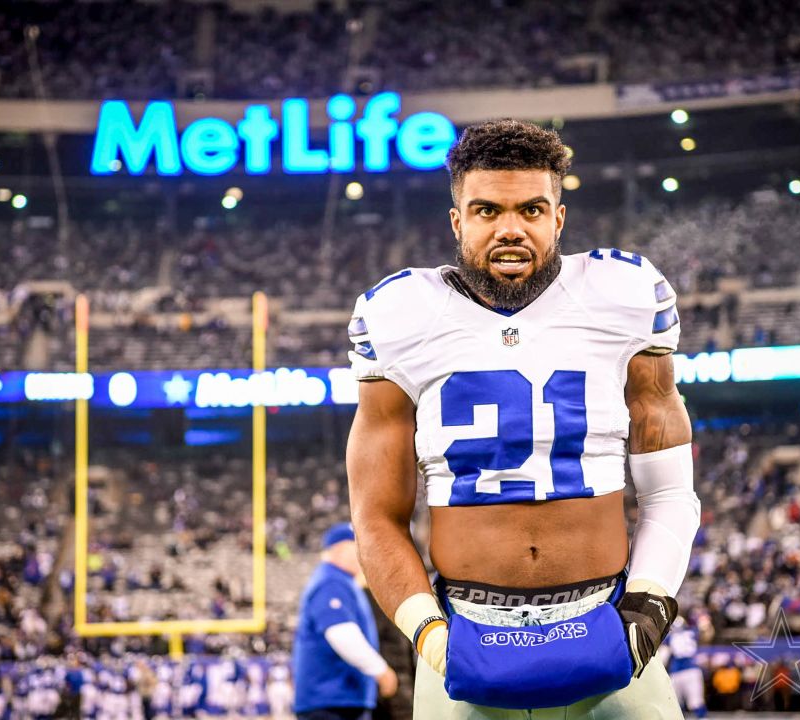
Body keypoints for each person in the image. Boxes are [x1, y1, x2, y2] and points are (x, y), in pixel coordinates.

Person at [346, 119, 700, 718]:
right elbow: (375, 518)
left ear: (557, 218)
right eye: (486, 211)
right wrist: (431, 637)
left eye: (531, 209)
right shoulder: (400, 315)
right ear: (457, 221)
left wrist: (648, 604)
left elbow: (670, 490)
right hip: (467, 632)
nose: (510, 229)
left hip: (606, 622)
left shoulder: (624, 295)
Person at [292, 522, 399, 719]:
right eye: (356, 547)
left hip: (340, 698)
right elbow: (340, 633)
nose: (363, 554)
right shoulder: (332, 581)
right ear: (340, 549)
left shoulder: (342, 581)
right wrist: (381, 670)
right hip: (331, 700)